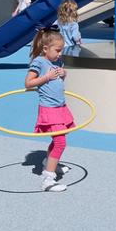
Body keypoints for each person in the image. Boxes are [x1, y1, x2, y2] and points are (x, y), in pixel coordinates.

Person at [25, 28, 73, 191]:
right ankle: (48, 179)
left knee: (57, 140)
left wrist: (63, 72)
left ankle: (49, 161)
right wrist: (47, 77)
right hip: (49, 109)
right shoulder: (39, 62)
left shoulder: (57, 61)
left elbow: (60, 78)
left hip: (60, 107)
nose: (60, 54)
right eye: (57, 50)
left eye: (61, 50)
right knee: (60, 142)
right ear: (46, 49)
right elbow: (28, 83)